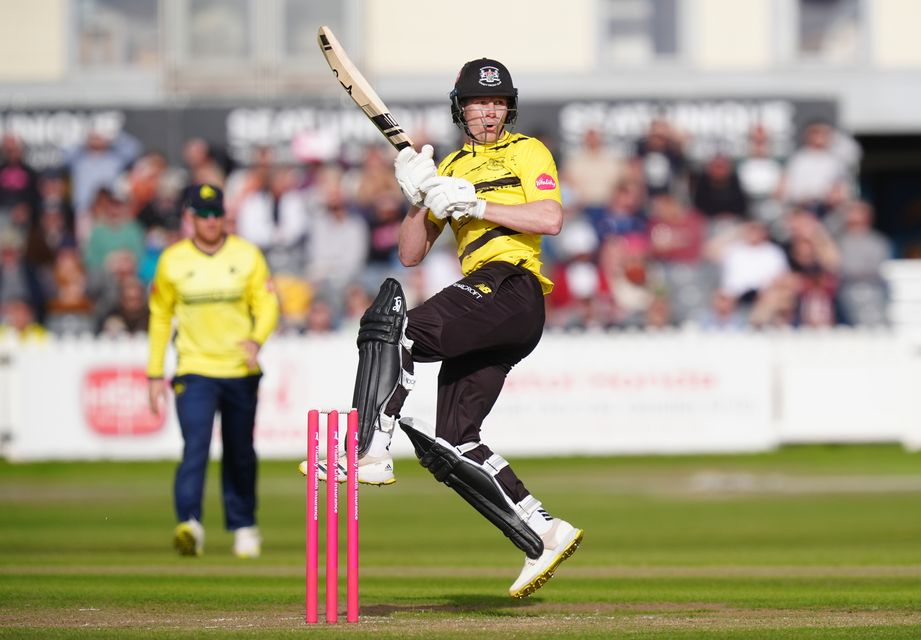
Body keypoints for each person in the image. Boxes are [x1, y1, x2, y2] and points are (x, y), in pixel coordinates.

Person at [324, 58, 583, 599]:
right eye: (478, 104)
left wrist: (477, 204)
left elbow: (550, 219)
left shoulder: (527, 150)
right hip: (491, 307)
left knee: (390, 327)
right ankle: (544, 532)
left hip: (513, 286)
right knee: (453, 443)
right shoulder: (450, 168)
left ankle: (369, 446)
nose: (489, 114)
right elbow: (410, 253)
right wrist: (419, 199)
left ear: (508, 108)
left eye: (497, 104)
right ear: (461, 109)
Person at [147, 184, 279, 559]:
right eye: (203, 214)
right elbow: (160, 318)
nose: (211, 221)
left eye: (216, 214)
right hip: (194, 369)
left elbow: (267, 303)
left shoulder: (246, 254)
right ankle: (189, 524)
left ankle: (244, 526)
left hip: (240, 369)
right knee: (196, 447)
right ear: (190, 218)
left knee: (240, 452)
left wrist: (256, 339)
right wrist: (155, 374)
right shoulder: (172, 260)